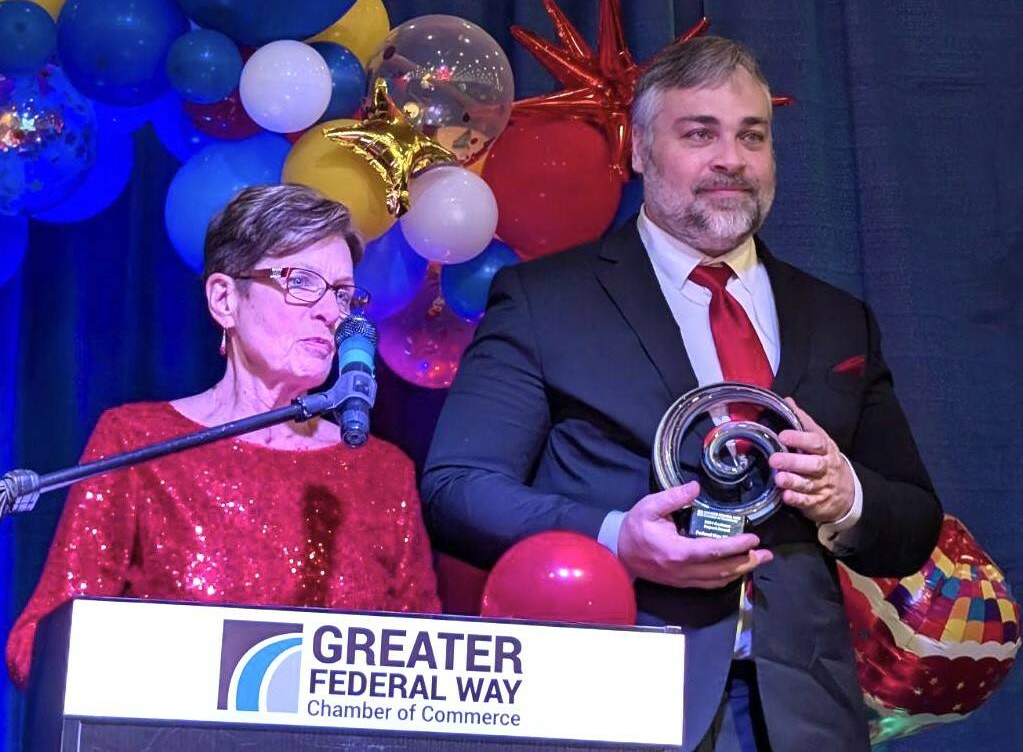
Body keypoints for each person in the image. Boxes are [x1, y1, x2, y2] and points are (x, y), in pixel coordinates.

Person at [421, 37, 942, 752]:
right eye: (699, 133)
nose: (731, 158)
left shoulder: (835, 316)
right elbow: (457, 489)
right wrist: (616, 542)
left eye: (750, 136)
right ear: (638, 151)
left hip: (804, 719)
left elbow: (911, 522)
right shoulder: (547, 300)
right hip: (609, 698)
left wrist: (846, 496)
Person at [6, 184, 440, 688]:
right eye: (302, 281)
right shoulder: (138, 443)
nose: (330, 312)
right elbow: (38, 647)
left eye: (343, 293)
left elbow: (422, 672)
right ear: (225, 298)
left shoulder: (382, 472)